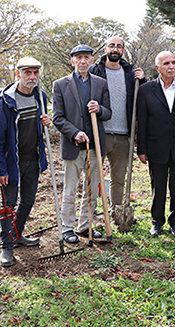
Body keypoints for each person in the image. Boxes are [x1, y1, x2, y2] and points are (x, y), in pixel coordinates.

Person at [0, 57, 51, 267]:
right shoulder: (6, 101)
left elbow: (39, 130)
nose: (32, 77)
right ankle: (6, 246)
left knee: (28, 200)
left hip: (32, 160)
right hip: (11, 163)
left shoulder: (41, 97)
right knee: (8, 205)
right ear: (18, 74)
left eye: (36, 72)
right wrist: (0, 168)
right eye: (28, 72)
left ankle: (17, 234)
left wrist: (46, 121)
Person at [136, 51, 175, 237]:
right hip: (157, 147)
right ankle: (157, 222)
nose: (171, 66)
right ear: (158, 68)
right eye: (166, 63)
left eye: (173, 62)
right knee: (158, 187)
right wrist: (142, 149)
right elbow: (142, 122)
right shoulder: (146, 90)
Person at [52, 44, 112, 244]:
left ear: (92, 60)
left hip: (95, 145)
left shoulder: (101, 84)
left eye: (86, 57)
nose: (83, 61)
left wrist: (100, 109)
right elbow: (57, 118)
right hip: (73, 146)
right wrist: (75, 133)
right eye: (79, 58)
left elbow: (108, 112)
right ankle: (67, 228)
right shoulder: (60, 85)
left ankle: (85, 226)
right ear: (72, 61)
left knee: (92, 189)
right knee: (70, 189)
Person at [88, 36, 146, 217]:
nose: (115, 49)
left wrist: (142, 80)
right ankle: (89, 214)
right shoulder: (94, 71)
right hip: (100, 132)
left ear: (123, 50)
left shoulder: (130, 73)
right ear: (105, 48)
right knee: (93, 176)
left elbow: (141, 97)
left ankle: (116, 213)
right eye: (111, 45)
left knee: (118, 179)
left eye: (119, 46)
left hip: (123, 135)